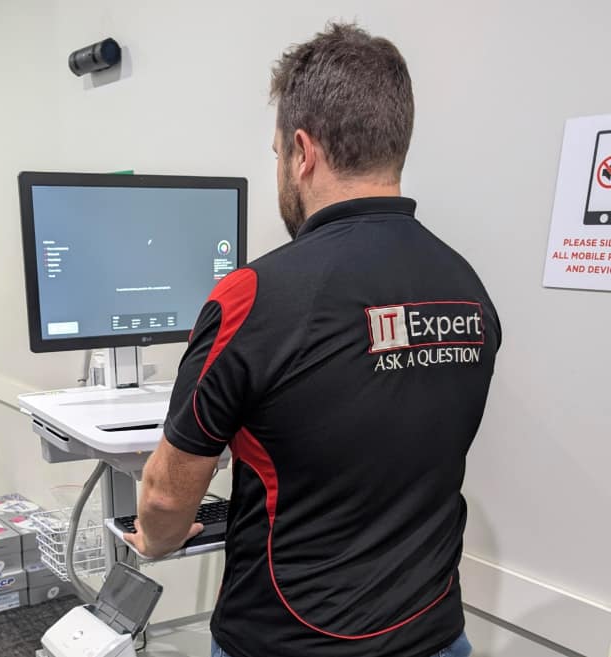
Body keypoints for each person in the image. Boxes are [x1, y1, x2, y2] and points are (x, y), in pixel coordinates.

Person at [123, 22, 500, 657]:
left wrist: (158, 540)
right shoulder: (468, 289)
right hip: (434, 636)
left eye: (277, 156)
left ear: (302, 151)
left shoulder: (253, 297)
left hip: (288, 641)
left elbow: (165, 492)